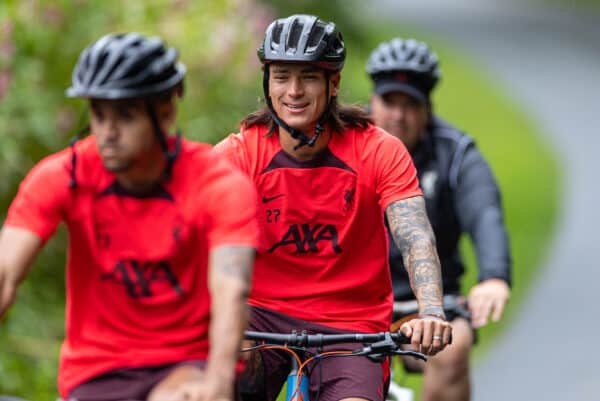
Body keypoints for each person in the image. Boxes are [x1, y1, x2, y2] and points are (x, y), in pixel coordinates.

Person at [0, 32, 259, 401]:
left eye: (126, 115)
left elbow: (231, 290)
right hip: (96, 372)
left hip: (187, 366)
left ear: (166, 113)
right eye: (99, 115)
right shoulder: (63, 176)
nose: (107, 132)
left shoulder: (217, 183)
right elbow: (6, 273)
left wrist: (217, 384)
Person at [214, 15, 452, 401]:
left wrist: (432, 311)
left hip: (350, 326)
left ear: (334, 82)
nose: (293, 91)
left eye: (308, 76)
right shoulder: (239, 154)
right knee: (215, 385)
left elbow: (415, 237)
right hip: (261, 319)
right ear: (267, 82)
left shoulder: (379, 150)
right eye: (281, 76)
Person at [367, 37, 512, 401]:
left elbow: (485, 212)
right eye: (389, 102)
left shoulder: (456, 152)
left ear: (428, 108)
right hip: (358, 303)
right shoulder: (345, 147)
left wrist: (494, 276)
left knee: (453, 350)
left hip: (432, 306)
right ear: (372, 102)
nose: (398, 115)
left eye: (410, 104)